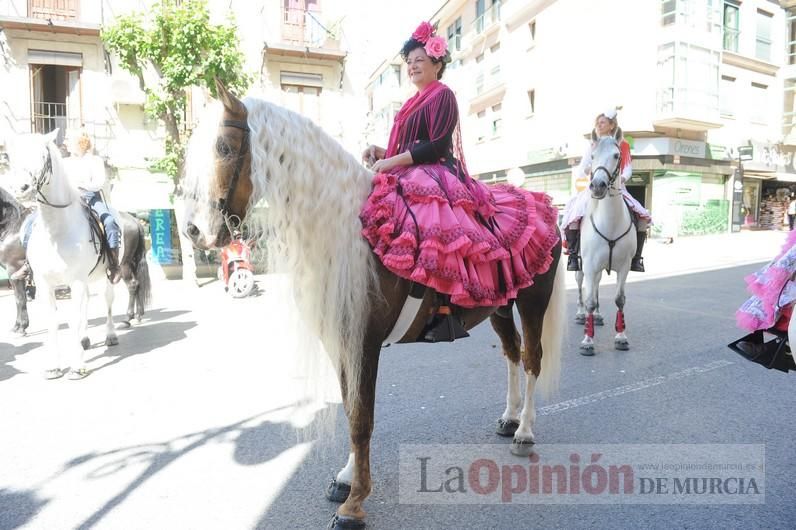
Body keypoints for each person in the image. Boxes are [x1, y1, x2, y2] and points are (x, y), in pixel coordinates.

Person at [359, 21, 559, 331]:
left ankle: (443, 310)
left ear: (437, 63)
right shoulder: (410, 104)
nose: (412, 67)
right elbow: (408, 146)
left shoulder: (443, 95)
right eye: (409, 63)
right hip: (411, 172)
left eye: (419, 61)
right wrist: (382, 153)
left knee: (435, 230)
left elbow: (436, 144)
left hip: (437, 173)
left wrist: (391, 161)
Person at [559, 109, 652, 272]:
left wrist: (620, 179)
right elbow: (582, 169)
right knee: (574, 215)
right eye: (597, 123)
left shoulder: (622, 144)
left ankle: (636, 258)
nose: (599, 125)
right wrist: (594, 173)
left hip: (617, 187)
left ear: (611, 125)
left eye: (602, 122)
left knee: (642, 216)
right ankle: (574, 256)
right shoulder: (593, 144)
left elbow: (628, 169)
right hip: (595, 185)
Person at [64, 132, 121, 284]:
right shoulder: (64, 162)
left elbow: (99, 182)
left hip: (90, 197)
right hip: (68, 199)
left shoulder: (95, 161)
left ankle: (114, 264)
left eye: (69, 139)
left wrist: (81, 186)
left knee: (109, 222)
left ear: (81, 143)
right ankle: (28, 264)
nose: (65, 142)